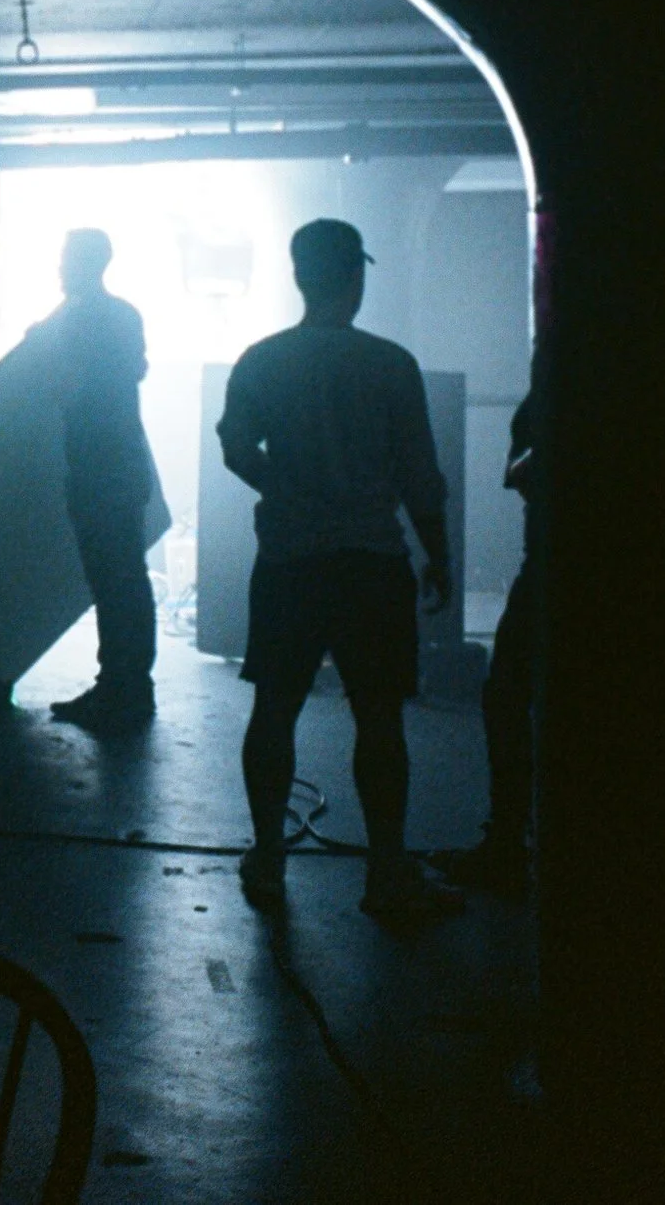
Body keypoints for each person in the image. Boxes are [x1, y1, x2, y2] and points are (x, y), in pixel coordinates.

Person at [217, 219, 463, 921]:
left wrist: (282, 486)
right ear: (355, 276)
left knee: (274, 708)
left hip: (291, 562)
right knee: (379, 720)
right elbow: (421, 476)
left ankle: (268, 859)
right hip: (371, 565)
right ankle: (386, 872)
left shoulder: (263, 360)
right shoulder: (390, 365)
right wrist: (438, 555)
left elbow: (236, 447)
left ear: (300, 277)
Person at [28, 229, 161, 732]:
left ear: (83, 264)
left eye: (63, 260)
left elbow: (66, 388)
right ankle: (130, 687)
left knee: (113, 579)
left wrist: (41, 347)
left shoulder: (80, 320)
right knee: (127, 577)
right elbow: (135, 370)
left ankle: (118, 690)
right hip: (124, 462)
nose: (58, 269)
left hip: (99, 467)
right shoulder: (124, 315)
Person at [435, 380, 543, 895]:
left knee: (505, 697)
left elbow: (519, 473)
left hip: (551, 569)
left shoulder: (549, 395)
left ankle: (506, 842)